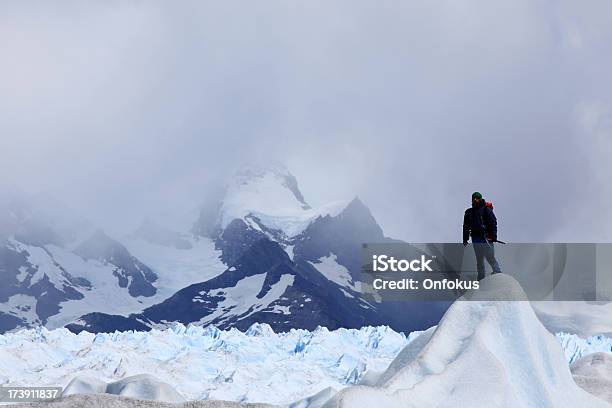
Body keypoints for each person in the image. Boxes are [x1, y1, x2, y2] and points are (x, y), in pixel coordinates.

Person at [463, 191, 501, 280]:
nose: (475, 200)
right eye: (474, 198)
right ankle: (481, 279)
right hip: (476, 238)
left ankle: (498, 273)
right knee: (479, 260)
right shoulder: (469, 212)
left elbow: (493, 223)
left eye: (477, 198)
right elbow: (466, 226)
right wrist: (465, 238)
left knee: (490, 257)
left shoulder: (486, 209)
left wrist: (493, 236)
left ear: (480, 198)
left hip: (486, 237)